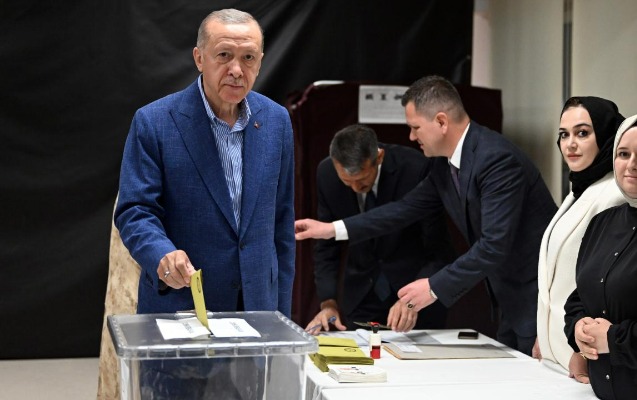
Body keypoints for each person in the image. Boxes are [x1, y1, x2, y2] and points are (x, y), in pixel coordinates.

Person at [295, 75, 558, 355]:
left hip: (537, 299)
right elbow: (403, 209)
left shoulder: (496, 160)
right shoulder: (444, 166)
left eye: (415, 127)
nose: (411, 137)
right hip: (509, 300)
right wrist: (331, 230)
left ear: (442, 122)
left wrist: (432, 287)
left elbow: (493, 246)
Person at [114, 9, 294, 398]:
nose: (236, 70)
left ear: (261, 61)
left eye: (248, 58)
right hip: (181, 312)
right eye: (224, 55)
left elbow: (281, 223)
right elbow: (135, 210)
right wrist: (161, 254)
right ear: (199, 58)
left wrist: (281, 318)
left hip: (256, 316)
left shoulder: (277, 121)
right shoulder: (155, 122)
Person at [305, 124, 455, 334]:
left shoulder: (415, 168)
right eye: (347, 182)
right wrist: (328, 302)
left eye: (362, 180)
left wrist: (415, 298)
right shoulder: (327, 173)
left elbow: (438, 245)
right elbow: (326, 247)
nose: (356, 188)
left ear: (379, 157)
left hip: (416, 292)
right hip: (362, 293)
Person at [534, 97, 625, 382]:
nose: (570, 144)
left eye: (582, 133)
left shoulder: (615, 193)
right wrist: (543, 332)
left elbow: (608, 287)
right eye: (564, 135)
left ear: (606, 136)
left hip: (583, 359)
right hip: (556, 351)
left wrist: (582, 352)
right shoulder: (580, 189)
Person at [564, 114, 637, 400]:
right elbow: (580, 296)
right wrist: (578, 329)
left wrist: (613, 340)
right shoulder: (602, 222)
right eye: (623, 154)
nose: (631, 164)